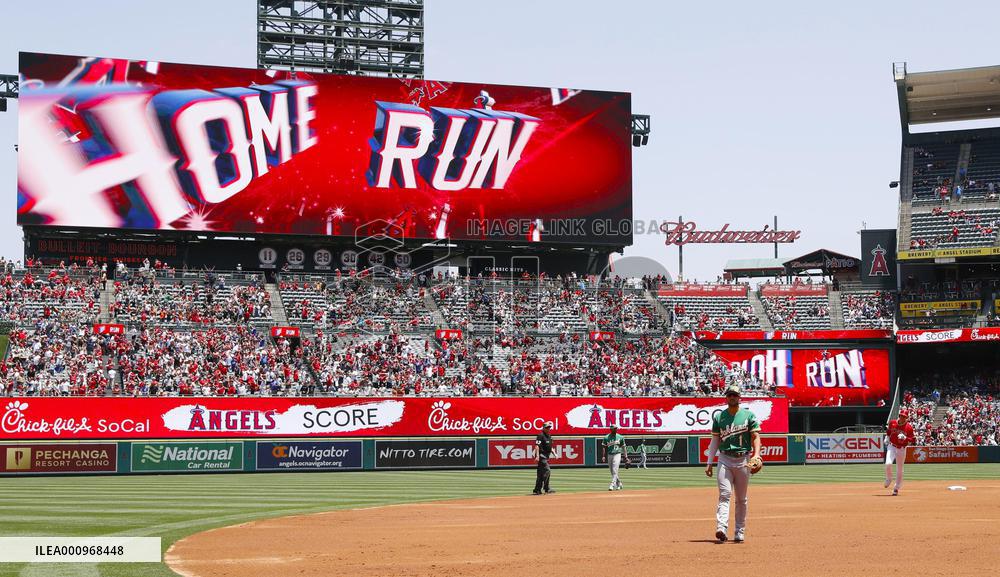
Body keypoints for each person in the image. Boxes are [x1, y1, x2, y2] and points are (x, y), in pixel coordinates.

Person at [704, 384, 761, 543]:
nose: (732, 397)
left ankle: (739, 531)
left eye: (734, 395)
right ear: (726, 397)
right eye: (729, 395)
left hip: (743, 459)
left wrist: (756, 455)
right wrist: (709, 462)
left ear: (739, 397)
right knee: (724, 494)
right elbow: (715, 440)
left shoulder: (748, 416)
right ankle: (721, 528)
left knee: (741, 498)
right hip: (724, 458)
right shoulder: (719, 417)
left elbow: (756, 437)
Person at [884, 410, 915, 495]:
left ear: (907, 418)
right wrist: (887, 437)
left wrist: (906, 438)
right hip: (892, 446)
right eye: (901, 416)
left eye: (904, 416)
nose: (902, 418)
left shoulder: (909, 427)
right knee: (888, 463)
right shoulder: (892, 422)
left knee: (900, 469)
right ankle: (889, 478)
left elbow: (913, 440)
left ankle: (896, 488)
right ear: (899, 415)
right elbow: (889, 431)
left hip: (901, 448)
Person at [533, 422, 555, 495]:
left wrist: (554, 453)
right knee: (547, 470)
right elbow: (537, 446)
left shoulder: (549, 436)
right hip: (542, 456)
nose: (548, 429)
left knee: (540, 474)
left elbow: (550, 447)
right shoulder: (540, 435)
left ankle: (537, 489)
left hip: (546, 456)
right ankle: (547, 488)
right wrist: (537, 456)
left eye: (549, 427)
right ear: (543, 428)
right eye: (547, 427)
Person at [604, 424, 626, 491]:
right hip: (609, 454)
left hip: (617, 454)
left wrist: (626, 456)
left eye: (616, 428)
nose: (616, 429)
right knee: (612, 471)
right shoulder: (606, 437)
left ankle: (612, 484)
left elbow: (624, 447)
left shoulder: (620, 437)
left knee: (614, 469)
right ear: (611, 429)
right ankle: (619, 483)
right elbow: (604, 447)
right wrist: (603, 456)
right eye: (615, 428)